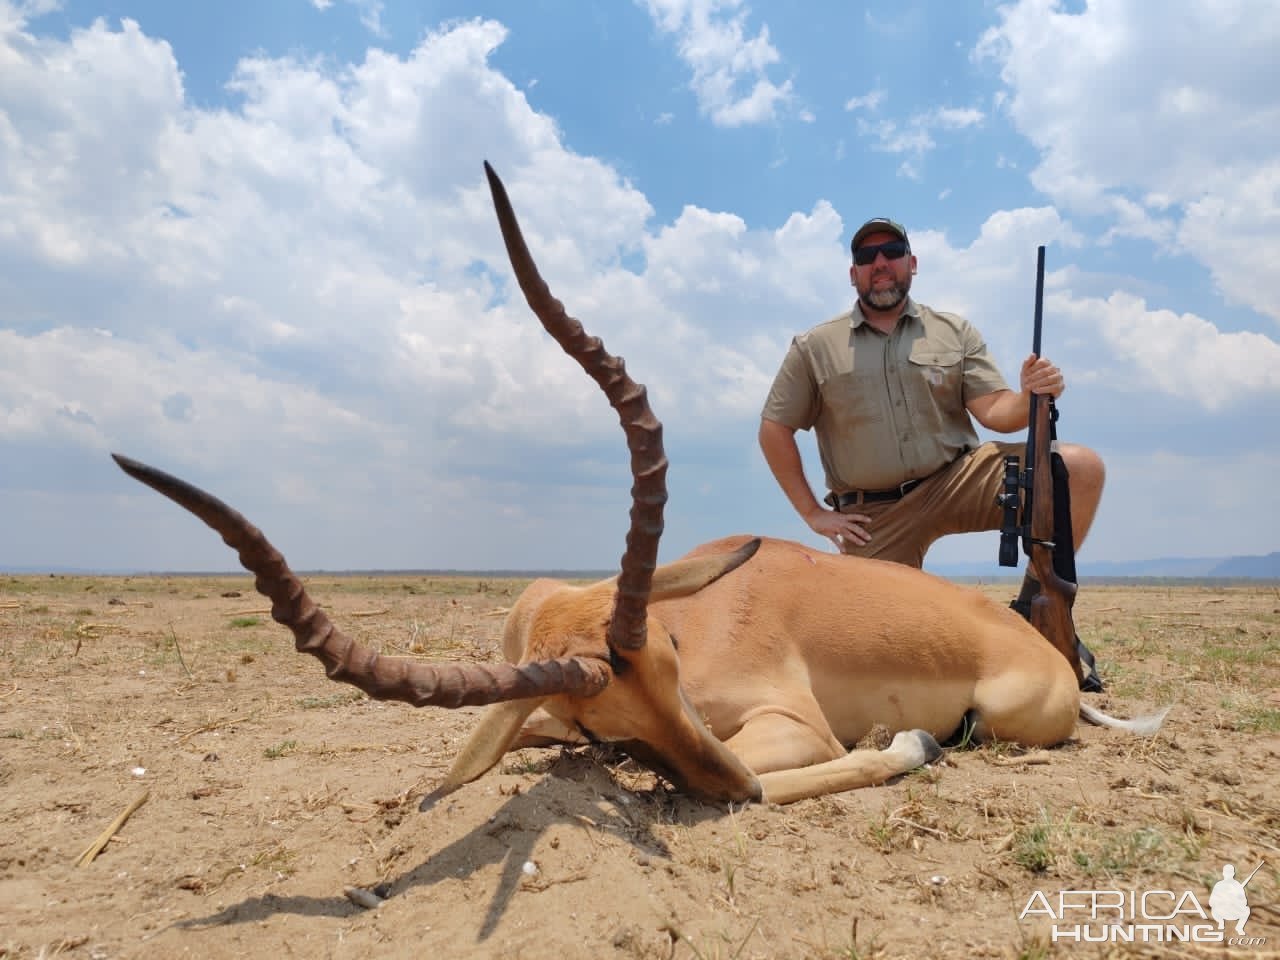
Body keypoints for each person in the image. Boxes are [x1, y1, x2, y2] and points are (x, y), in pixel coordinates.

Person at [759, 217, 1104, 691]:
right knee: (875, 652)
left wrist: (1031, 394)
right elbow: (774, 429)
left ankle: (1035, 608)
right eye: (866, 257)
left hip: (959, 479)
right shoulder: (814, 347)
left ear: (911, 263)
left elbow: (995, 410)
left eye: (892, 251)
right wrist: (815, 515)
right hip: (875, 513)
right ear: (853, 273)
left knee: (1079, 467)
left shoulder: (954, 332)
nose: (880, 263)